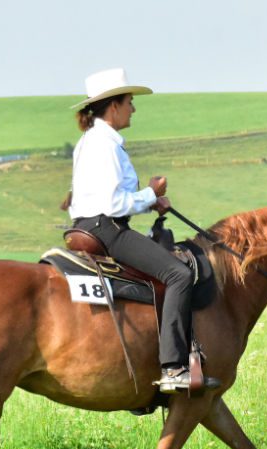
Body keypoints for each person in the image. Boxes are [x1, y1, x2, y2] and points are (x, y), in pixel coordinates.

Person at [66, 68, 194, 393]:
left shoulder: (90, 141)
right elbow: (113, 203)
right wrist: (152, 192)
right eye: (130, 102)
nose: (133, 109)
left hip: (88, 224)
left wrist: (151, 203)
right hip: (108, 229)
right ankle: (174, 368)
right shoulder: (106, 145)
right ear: (114, 106)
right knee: (179, 274)